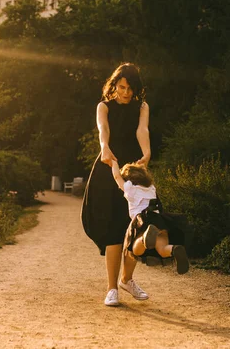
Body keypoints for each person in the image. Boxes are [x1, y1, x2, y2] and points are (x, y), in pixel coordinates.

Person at [81, 63, 151, 307]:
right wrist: (104, 147)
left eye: (130, 88)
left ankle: (127, 280)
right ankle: (112, 289)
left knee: (136, 227)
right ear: (114, 85)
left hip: (133, 170)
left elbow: (142, 130)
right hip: (109, 165)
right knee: (112, 228)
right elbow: (104, 129)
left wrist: (147, 152)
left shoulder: (142, 107)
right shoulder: (104, 106)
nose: (125, 92)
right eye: (121, 87)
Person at [110, 160, 190, 275]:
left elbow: (117, 177)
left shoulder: (130, 187)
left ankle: (144, 238)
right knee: (162, 249)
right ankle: (174, 249)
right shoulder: (151, 187)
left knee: (135, 250)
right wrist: (143, 163)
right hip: (159, 219)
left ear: (128, 178)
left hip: (142, 220)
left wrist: (113, 163)